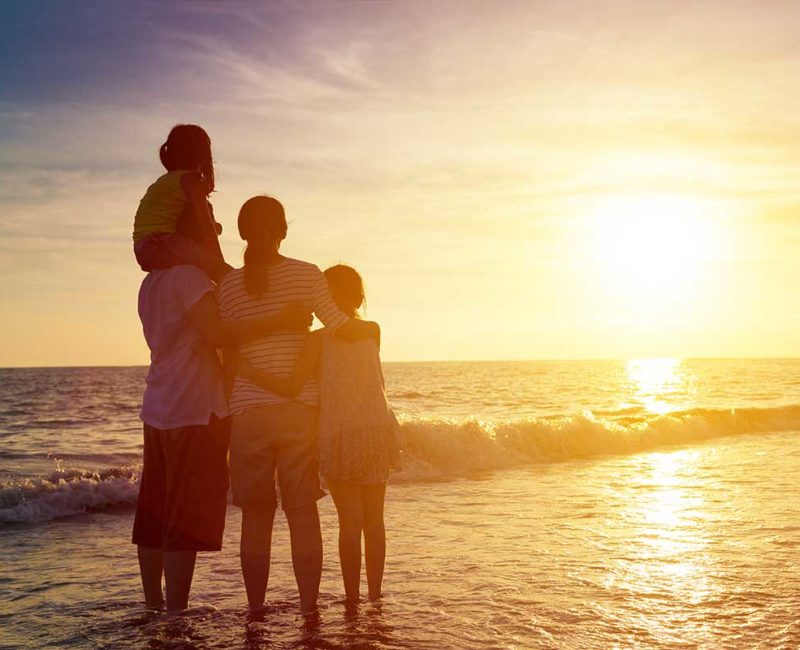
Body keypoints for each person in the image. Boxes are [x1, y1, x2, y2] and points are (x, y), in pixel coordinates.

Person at [215, 196, 379, 616]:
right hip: (298, 413)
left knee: (255, 519)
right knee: (302, 514)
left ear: (242, 232)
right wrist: (372, 330)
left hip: (248, 413)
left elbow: (226, 349)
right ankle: (309, 613)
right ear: (283, 230)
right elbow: (339, 326)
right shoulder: (305, 275)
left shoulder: (228, 286)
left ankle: (255, 612)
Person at [132, 260, 311, 614]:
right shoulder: (190, 276)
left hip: (157, 405)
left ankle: (154, 605)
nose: (216, 228)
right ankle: (175, 614)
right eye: (208, 220)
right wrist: (279, 321)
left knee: (155, 513)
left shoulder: (151, 282)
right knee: (183, 516)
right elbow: (216, 335)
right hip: (195, 407)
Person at [239, 264, 400, 603]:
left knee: (350, 523)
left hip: (340, 432)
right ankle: (375, 597)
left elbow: (293, 385)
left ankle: (353, 599)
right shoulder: (372, 330)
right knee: (374, 522)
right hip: (376, 429)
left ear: (322, 298)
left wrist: (249, 370)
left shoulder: (317, 340)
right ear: (360, 296)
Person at [132, 124, 232, 282]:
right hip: (160, 242)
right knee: (226, 275)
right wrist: (219, 263)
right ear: (202, 155)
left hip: (143, 248)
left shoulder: (166, 181)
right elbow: (206, 227)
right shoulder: (190, 181)